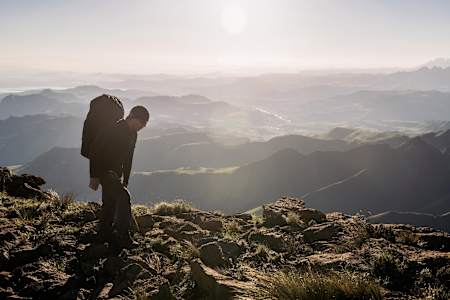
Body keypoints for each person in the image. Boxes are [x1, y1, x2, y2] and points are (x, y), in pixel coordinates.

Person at [88, 105, 149, 247]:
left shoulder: (133, 134)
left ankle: (103, 234)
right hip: (104, 171)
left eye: (144, 124)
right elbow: (95, 150)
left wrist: (126, 179)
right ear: (133, 118)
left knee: (110, 203)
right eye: (142, 123)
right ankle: (123, 236)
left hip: (116, 175)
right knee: (123, 197)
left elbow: (129, 157)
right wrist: (94, 176)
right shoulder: (112, 129)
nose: (142, 127)